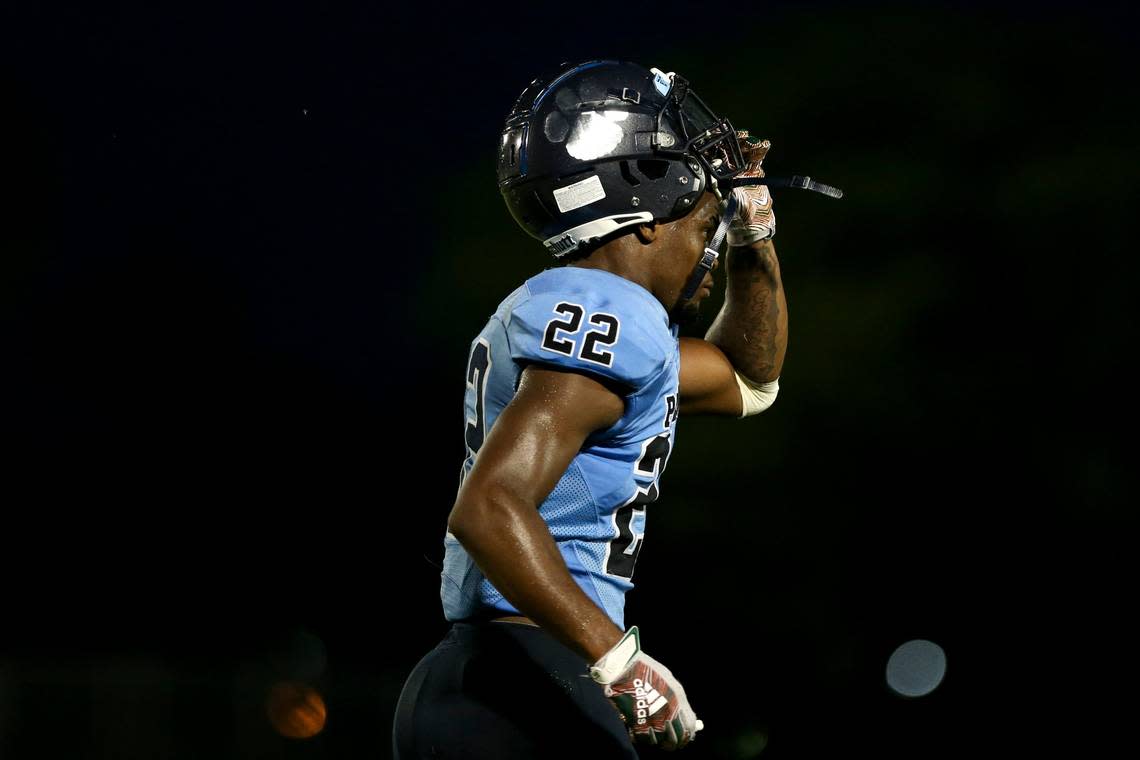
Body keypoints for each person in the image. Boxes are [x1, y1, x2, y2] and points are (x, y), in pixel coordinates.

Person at [393, 59, 787, 759]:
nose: (709, 252)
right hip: (526, 679)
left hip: (488, 674)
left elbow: (750, 377)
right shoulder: (614, 311)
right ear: (641, 225)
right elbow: (489, 505)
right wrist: (619, 662)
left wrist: (755, 234)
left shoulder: (589, 319)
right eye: (703, 229)